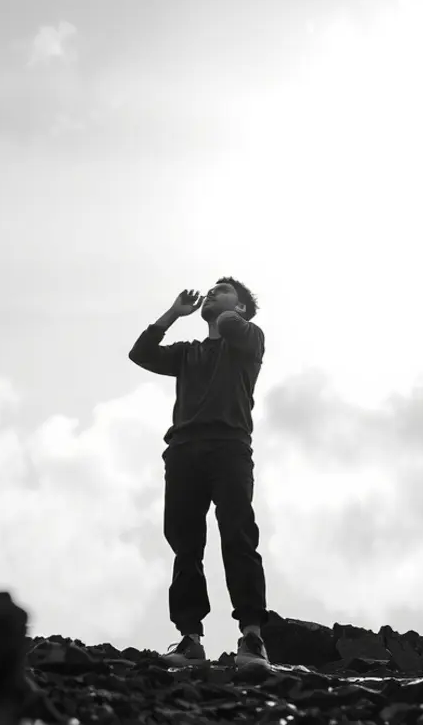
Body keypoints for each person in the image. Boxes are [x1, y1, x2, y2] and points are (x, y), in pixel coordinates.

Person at [128, 278, 271, 668]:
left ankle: (253, 638)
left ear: (240, 308)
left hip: (229, 448)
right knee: (185, 545)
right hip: (183, 451)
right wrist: (174, 313)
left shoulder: (249, 339)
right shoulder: (188, 353)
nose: (211, 292)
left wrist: (226, 311)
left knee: (238, 536)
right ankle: (189, 639)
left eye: (222, 290)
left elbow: (231, 326)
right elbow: (140, 353)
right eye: (212, 289)